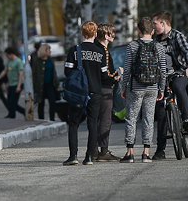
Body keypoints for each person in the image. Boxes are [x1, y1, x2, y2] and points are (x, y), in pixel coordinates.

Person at [119, 17, 167, 163]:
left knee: (131, 118)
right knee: (148, 119)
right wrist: (162, 89)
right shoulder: (159, 47)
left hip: (135, 87)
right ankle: (146, 153)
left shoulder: (132, 46)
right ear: (152, 31)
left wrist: (123, 87)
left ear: (138, 30)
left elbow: (127, 69)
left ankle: (130, 153)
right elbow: (163, 71)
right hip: (152, 88)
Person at [152, 10, 188, 161]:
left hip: (179, 72)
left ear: (163, 23)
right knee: (160, 109)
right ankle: (160, 149)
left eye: (155, 23)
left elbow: (187, 52)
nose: (153, 26)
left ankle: (186, 121)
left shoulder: (177, 36)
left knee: (178, 87)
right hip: (162, 77)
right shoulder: (156, 40)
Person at [63, 21, 104, 166]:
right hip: (95, 91)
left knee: (74, 123)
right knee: (92, 124)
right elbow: (104, 75)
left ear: (82, 33)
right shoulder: (100, 52)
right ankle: (89, 157)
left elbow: (67, 71)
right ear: (95, 34)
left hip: (78, 93)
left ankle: (73, 156)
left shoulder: (74, 50)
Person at [93, 23, 120, 161]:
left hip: (93, 89)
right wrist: (116, 76)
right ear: (105, 35)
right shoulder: (104, 51)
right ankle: (104, 152)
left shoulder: (94, 49)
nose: (113, 36)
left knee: (95, 121)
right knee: (105, 120)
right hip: (105, 89)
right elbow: (106, 73)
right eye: (111, 34)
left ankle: (94, 150)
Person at [31, 44, 59, 121]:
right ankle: (41, 119)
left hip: (50, 85)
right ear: (44, 51)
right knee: (41, 103)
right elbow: (34, 74)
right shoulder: (37, 61)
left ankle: (52, 119)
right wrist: (33, 87)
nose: (50, 52)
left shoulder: (51, 60)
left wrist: (57, 85)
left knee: (52, 102)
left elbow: (54, 73)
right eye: (48, 50)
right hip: (40, 85)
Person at [0, 47, 25, 119]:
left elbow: (21, 74)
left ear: (11, 54)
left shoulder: (18, 61)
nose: (7, 57)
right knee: (9, 101)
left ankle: (24, 112)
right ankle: (11, 114)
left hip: (17, 83)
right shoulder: (9, 61)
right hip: (11, 84)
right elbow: (5, 71)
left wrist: (19, 86)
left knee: (13, 102)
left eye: (7, 55)